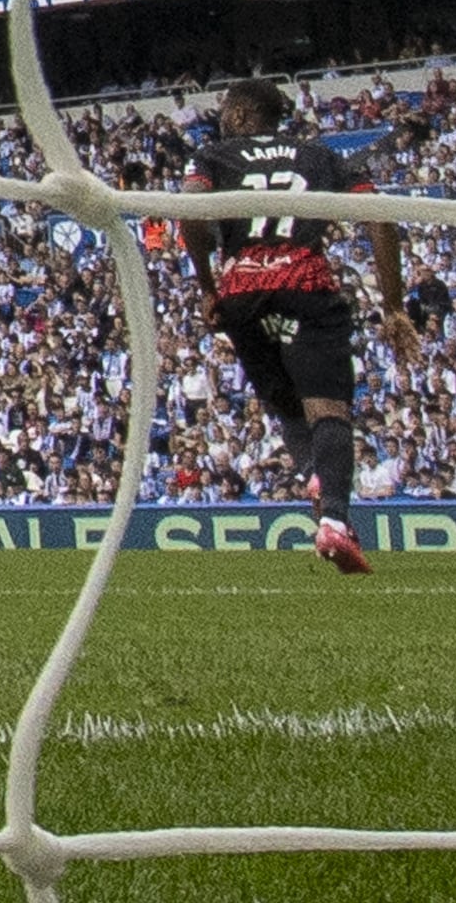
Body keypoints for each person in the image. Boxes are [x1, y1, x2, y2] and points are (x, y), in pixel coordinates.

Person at [189, 77, 424, 574]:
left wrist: (207, 285)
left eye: (226, 110)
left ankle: (317, 472)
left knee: (286, 406)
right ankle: (334, 519)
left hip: (243, 288)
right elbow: (380, 217)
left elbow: (188, 212)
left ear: (239, 115)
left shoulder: (214, 155)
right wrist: (393, 306)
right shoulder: (318, 156)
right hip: (304, 280)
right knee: (327, 409)